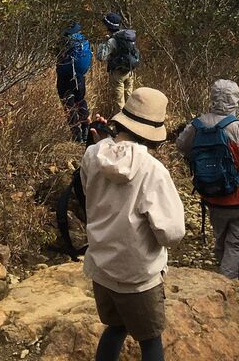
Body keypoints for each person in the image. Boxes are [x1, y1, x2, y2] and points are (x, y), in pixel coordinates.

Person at [80, 86, 185, 361]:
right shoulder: (153, 170)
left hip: (102, 267)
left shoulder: (93, 154)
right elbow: (172, 233)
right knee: (150, 340)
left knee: (115, 328)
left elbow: (86, 191)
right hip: (138, 276)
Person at [176, 79, 239, 280]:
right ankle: (230, 285)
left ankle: (226, 274)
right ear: (234, 100)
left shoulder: (197, 125)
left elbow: (182, 145)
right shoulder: (237, 128)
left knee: (221, 240)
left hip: (211, 197)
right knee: (237, 244)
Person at [55, 20, 91, 143]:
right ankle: (86, 130)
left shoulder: (62, 41)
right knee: (80, 101)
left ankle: (77, 136)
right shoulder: (83, 40)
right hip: (80, 76)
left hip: (64, 77)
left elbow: (56, 55)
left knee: (68, 104)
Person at [96, 12, 141, 111]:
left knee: (119, 103)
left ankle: (120, 125)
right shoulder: (127, 36)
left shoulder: (112, 41)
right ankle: (132, 122)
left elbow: (101, 57)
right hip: (129, 71)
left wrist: (103, 44)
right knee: (130, 100)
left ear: (108, 26)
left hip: (118, 73)